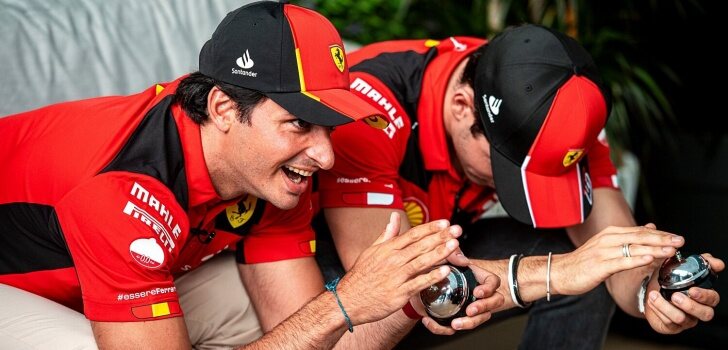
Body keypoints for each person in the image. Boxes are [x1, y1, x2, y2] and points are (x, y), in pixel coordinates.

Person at [0, 2, 502, 349]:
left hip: (102, 276)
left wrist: (407, 296)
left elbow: (321, 334)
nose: (326, 157)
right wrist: (342, 303)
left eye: (329, 126)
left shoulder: (269, 172)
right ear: (222, 107)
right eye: (300, 123)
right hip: (20, 284)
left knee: (283, 321)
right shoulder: (124, 187)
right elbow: (335, 313)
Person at [315, 24, 723, 348]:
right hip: (343, 266)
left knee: (593, 264)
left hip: (444, 244)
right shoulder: (373, 109)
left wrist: (654, 294)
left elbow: (616, 254)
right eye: (510, 167)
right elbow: (399, 285)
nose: (514, 182)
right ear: (462, 107)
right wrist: (556, 272)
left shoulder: (568, 114)